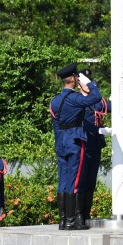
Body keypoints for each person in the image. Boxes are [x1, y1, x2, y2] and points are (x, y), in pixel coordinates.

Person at [49, 63, 104, 230]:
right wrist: (91, 84)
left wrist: (60, 141)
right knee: (74, 180)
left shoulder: (55, 101)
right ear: (74, 79)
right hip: (74, 141)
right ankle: (72, 221)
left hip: (62, 141)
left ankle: (64, 220)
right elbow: (95, 98)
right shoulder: (73, 98)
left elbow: (56, 125)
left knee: (63, 182)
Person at [81, 89, 109, 221]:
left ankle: (86, 213)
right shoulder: (77, 100)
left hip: (96, 146)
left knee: (91, 181)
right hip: (84, 145)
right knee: (81, 181)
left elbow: (113, 107)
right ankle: (78, 214)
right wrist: (98, 130)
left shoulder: (98, 102)